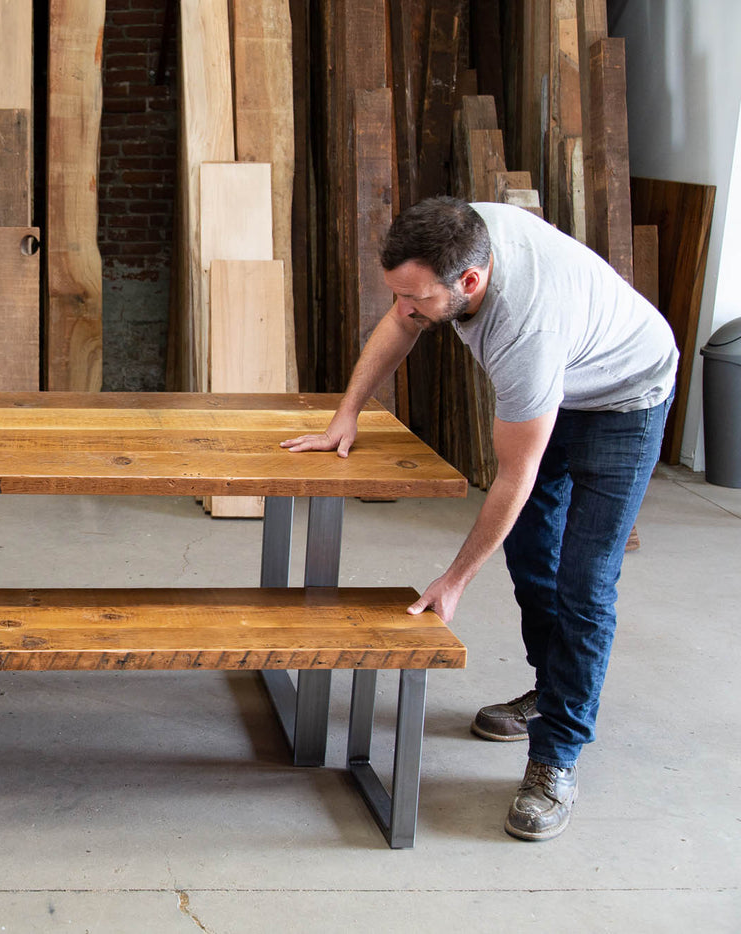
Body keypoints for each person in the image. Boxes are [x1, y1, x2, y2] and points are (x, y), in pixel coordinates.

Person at [282, 196, 677, 842]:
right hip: (561, 380)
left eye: (418, 298)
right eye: (399, 294)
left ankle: (556, 756)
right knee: (529, 554)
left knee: (584, 581)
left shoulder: (526, 331)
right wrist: (345, 414)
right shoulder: (460, 237)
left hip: (623, 396)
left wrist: (456, 578)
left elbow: (515, 477)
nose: (406, 309)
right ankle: (552, 690)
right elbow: (401, 324)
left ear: (470, 282)